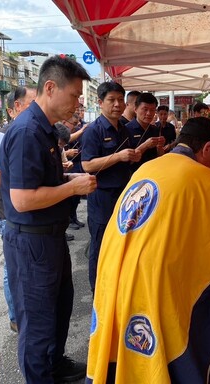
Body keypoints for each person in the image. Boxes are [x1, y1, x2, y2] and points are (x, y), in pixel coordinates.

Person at [86, 117, 210, 383]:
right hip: (151, 277)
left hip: (115, 273)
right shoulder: (201, 176)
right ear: (208, 148)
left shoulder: (147, 167)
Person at [0, 55, 97, 384]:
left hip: (49, 238)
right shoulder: (27, 131)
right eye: (74, 96)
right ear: (50, 88)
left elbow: (43, 183)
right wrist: (73, 188)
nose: (77, 103)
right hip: (32, 241)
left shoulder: (44, 130)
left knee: (58, 310)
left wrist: (70, 182)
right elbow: (22, 199)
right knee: (37, 324)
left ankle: (54, 366)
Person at [81, 81, 141, 293]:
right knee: (100, 244)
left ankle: (115, 286)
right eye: (111, 100)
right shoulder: (93, 131)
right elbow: (87, 165)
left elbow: (126, 159)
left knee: (120, 241)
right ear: (100, 103)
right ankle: (97, 290)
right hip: (102, 197)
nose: (117, 104)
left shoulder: (123, 128)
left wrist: (133, 156)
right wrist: (118, 156)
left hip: (124, 195)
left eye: (120, 100)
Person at [0, 85, 36, 333]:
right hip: (8, 213)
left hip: (24, 214)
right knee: (12, 267)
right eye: (32, 102)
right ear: (15, 107)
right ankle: (15, 316)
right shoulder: (3, 135)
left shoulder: (31, 131)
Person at [126, 92, 165, 172]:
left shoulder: (155, 129)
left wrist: (160, 147)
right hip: (134, 175)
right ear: (136, 109)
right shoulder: (126, 129)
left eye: (152, 110)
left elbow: (160, 156)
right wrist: (145, 145)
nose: (149, 113)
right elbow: (127, 161)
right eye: (145, 109)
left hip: (153, 173)